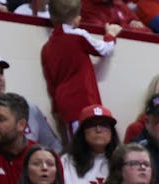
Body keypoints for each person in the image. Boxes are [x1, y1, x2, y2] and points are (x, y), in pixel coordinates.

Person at [40, 0, 120, 137]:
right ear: (77, 18)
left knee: (77, 141)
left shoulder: (46, 48)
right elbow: (104, 50)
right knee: (84, 142)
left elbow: (51, 83)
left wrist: (56, 109)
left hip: (64, 103)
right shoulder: (78, 35)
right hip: (83, 98)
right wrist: (111, 35)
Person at [61, 105, 118, 184]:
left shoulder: (122, 159)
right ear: (82, 132)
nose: (98, 130)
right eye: (92, 125)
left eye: (104, 125)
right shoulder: (67, 161)